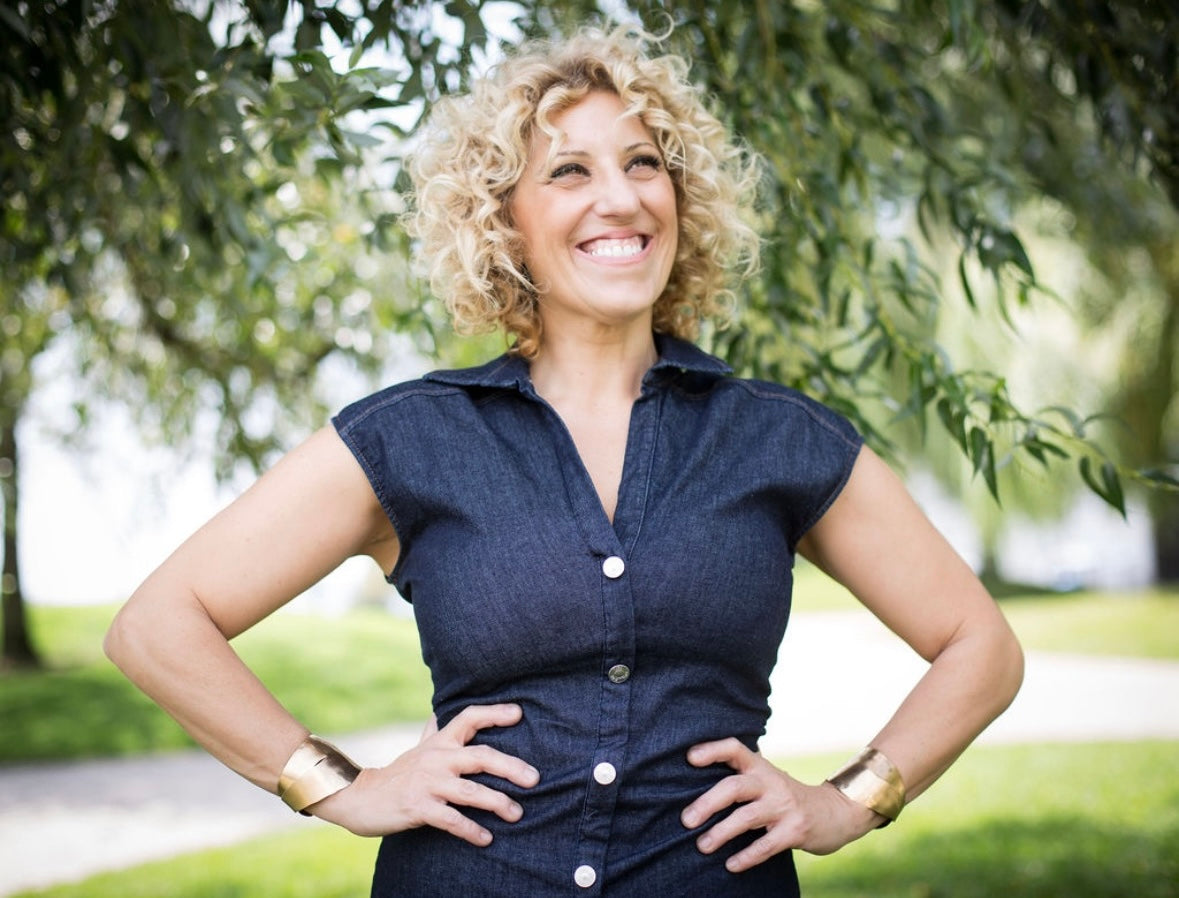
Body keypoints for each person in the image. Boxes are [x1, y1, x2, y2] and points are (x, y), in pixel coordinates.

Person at [105, 23, 1024, 898]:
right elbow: (157, 626)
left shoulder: (775, 437)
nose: (618, 199)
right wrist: (336, 784)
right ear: (504, 220)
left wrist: (850, 799)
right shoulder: (410, 439)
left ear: (680, 200)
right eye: (569, 172)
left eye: (643, 165)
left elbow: (979, 646)